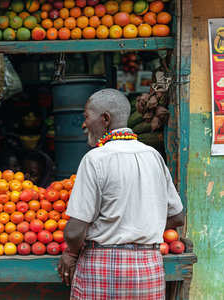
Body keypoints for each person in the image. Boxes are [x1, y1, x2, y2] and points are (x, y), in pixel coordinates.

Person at [58, 89, 185, 299]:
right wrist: (139, 226)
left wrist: (71, 254)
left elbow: (73, 232)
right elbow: (177, 217)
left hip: (101, 268)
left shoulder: (95, 159)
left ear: (105, 119)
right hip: (147, 269)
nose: (84, 124)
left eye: (87, 117)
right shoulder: (153, 156)